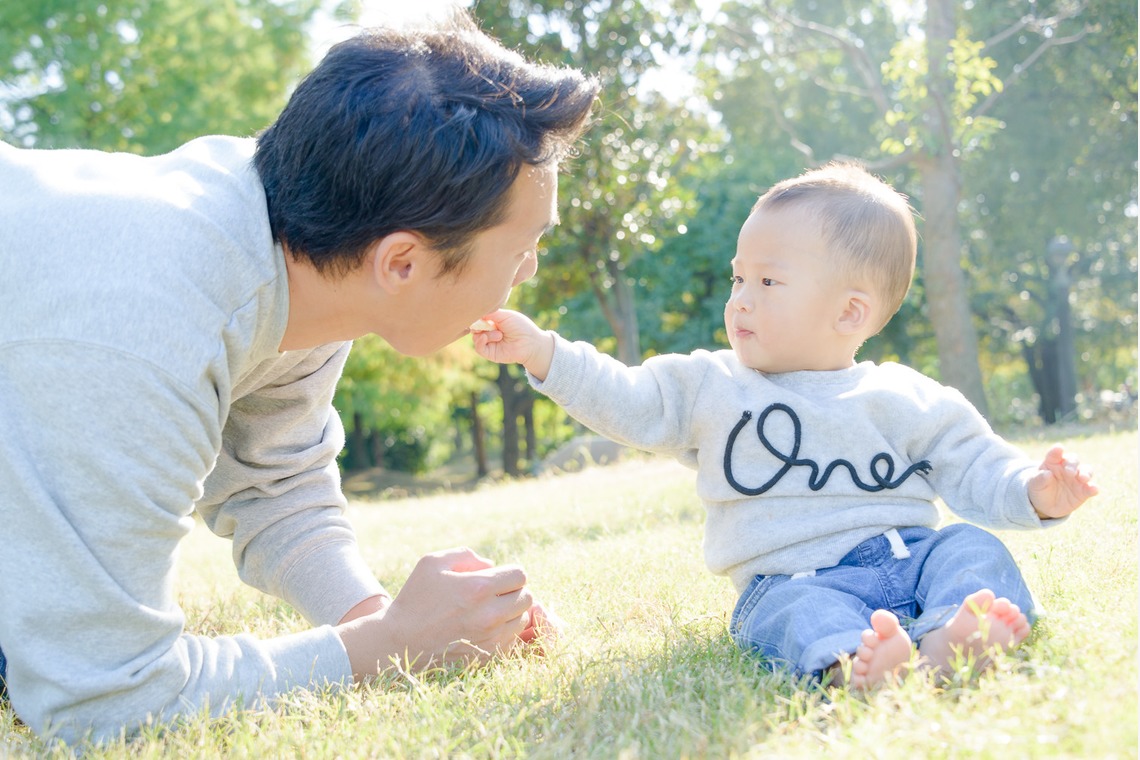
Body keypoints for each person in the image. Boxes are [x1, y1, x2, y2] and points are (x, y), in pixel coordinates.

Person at [0, 13, 599, 744]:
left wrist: (382, 619)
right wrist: (388, 648)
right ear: (402, 264)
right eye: (525, 247)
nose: (529, 271)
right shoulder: (143, 325)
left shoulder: (294, 252)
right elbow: (102, 699)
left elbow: (274, 482)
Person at [472, 162, 1098, 689]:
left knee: (972, 548)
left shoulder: (907, 396)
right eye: (739, 277)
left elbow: (979, 465)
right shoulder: (714, 385)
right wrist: (545, 354)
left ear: (850, 312)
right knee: (792, 615)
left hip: (911, 558)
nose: (740, 297)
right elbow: (629, 397)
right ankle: (859, 663)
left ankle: (950, 636)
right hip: (790, 580)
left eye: (768, 281)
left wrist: (1034, 492)